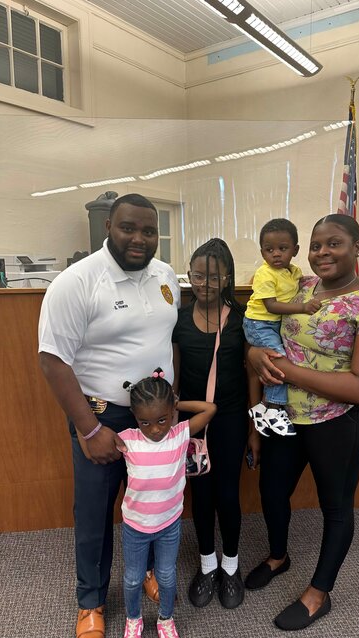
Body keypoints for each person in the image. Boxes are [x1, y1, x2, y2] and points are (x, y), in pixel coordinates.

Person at [38, 193, 180, 638]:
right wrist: (90, 427)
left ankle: (153, 574)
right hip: (104, 417)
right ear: (108, 228)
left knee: (157, 503)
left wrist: (173, 408)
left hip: (158, 419)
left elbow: (167, 337)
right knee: (96, 512)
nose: (139, 239)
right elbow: (52, 361)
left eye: (149, 230)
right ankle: (92, 600)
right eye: (128, 228)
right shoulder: (76, 282)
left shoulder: (166, 276)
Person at [246, 214, 359, 631]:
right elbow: (266, 333)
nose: (322, 252)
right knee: (272, 491)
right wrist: (256, 356)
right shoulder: (301, 286)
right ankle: (279, 556)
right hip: (286, 417)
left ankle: (318, 594)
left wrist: (287, 372)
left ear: (357, 248)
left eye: (334, 243)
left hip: (336, 422)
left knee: (336, 507)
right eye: (315, 245)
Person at [172, 238, 249, 610]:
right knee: (200, 495)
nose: (203, 284)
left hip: (232, 417)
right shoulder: (179, 318)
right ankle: (207, 565)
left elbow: (252, 373)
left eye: (213, 277)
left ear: (227, 279)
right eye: (197, 276)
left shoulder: (243, 317)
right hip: (191, 421)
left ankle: (230, 567)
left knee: (229, 494)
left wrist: (253, 426)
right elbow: (173, 372)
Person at [118, 368, 216, 638]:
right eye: (145, 423)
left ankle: (165, 619)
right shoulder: (127, 439)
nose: (155, 430)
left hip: (169, 526)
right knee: (133, 578)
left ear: (172, 414)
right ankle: (133, 619)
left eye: (162, 420)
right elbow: (95, 434)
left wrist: (176, 403)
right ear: (135, 419)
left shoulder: (180, 434)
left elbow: (210, 409)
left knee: (167, 576)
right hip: (135, 528)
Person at [243, 219, 320, 437]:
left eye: (282, 249)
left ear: (295, 250)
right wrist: (303, 307)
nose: (276, 254)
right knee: (279, 360)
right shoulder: (264, 274)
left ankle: (263, 409)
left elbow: (302, 282)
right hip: (260, 324)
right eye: (269, 250)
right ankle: (274, 408)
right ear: (262, 252)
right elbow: (271, 305)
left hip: (273, 324)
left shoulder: (293, 272)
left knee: (278, 359)